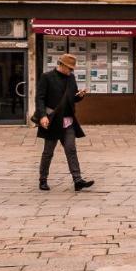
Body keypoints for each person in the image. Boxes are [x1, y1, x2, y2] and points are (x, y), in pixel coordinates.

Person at [34, 53, 94, 192]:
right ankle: (43, 179)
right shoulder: (46, 77)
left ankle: (77, 180)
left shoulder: (71, 78)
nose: (71, 71)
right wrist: (42, 116)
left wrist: (80, 96)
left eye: (72, 69)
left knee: (71, 149)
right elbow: (40, 98)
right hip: (52, 120)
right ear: (61, 65)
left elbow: (71, 99)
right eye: (69, 68)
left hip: (68, 120)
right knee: (48, 152)